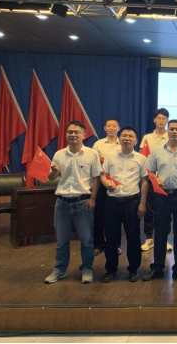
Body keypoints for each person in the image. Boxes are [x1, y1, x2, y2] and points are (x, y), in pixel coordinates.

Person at [44, 121, 102, 285]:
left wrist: (93, 198)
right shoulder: (59, 154)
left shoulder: (92, 154)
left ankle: (87, 269)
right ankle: (60, 269)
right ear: (66, 134)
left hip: (83, 203)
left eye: (77, 132)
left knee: (86, 240)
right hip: (62, 203)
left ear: (84, 135)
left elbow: (96, 178)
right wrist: (53, 172)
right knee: (62, 241)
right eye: (70, 132)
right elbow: (51, 178)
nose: (73, 135)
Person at [143, 120, 177, 283]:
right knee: (160, 232)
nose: (174, 131)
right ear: (167, 131)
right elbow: (149, 172)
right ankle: (157, 268)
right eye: (172, 129)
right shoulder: (157, 151)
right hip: (161, 196)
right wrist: (155, 180)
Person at [100, 126, 149, 283]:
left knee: (133, 237)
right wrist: (106, 184)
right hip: (112, 202)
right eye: (124, 135)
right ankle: (110, 269)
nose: (127, 138)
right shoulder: (110, 156)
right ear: (119, 138)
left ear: (136, 140)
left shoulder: (141, 159)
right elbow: (103, 175)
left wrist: (142, 203)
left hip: (132, 202)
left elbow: (144, 181)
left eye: (131, 136)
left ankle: (133, 269)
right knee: (111, 238)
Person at [139, 108, 172, 253]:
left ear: (167, 120)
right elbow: (142, 156)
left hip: (165, 179)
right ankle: (149, 238)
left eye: (164, 118)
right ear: (154, 120)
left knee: (165, 211)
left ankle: (164, 239)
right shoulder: (147, 137)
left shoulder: (170, 136)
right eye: (159, 118)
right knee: (149, 209)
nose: (161, 121)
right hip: (150, 178)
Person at [92, 118, 121, 256]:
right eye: (108, 126)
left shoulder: (123, 143)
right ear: (105, 128)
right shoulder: (98, 144)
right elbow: (93, 162)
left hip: (117, 182)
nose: (111, 128)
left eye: (114, 126)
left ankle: (115, 245)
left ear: (118, 128)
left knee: (116, 215)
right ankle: (98, 244)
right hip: (100, 182)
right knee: (99, 214)